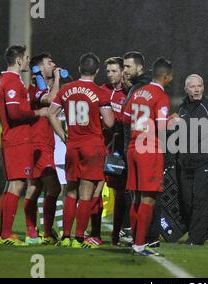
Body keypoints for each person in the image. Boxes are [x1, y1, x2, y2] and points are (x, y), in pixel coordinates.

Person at [48, 52, 114, 248]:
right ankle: (78, 238)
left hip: (73, 144)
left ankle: (65, 236)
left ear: (79, 69)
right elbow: (109, 122)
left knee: (70, 191)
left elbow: (51, 114)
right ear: (97, 71)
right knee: (86, 193)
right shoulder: (101, 93)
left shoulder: (66, 89)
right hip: (92, 145)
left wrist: (63, 135)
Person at [0, 45, 48, 246]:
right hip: (17, 139)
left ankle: (4, 233)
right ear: (18, 60)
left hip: (13, 138)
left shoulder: (6, 79)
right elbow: (15, 113)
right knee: (17, 184)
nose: (28, 60)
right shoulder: (10, 81)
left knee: (11, 185)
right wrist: (37, 113)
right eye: (26, 58)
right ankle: (6, 235)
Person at [123, 57, 173, 256]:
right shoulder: (161, 96)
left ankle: (136, 241)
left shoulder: (136, 93)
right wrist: (172, 120)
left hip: (133, 147)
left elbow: (126, 118)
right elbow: (161, 128)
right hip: (149, 149)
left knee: (136, 198)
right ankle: (140, 244)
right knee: (148, 198)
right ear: (166, 76)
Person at [177, 74, 208, 245]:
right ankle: (206, 229)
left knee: (200, 200)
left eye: (199, 86)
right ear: (186, 89)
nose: (196, 89)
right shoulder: (182, 109)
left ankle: (196, 239)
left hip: (205, 161)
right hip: (185, 162)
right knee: (186, 200)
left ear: (203, 87)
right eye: (192, 86)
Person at [122, 51, 161, 247]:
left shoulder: (140, 88)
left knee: (143, 196)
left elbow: (125, 118)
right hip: (143, 148)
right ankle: (143, 238)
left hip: (141, 147)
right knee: (143, 196)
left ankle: (146, 237)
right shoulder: (149, 86)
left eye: (128, 67)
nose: (124, 71)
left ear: (139, 67)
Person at [24, 53, 62, 245]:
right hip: (37, 144)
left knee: (36, 186)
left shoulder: (39, 88)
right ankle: (42, 232)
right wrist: (57, 79)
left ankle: (36, 232)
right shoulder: (36, 90)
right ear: (40, 68)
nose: (54, 64)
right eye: (50, 62)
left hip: (42, 144)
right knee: (52, 187)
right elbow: (51, 99)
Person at [100, 57, 129, 245]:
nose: (110, 74)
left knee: (120, 193)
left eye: (114, 71)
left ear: (122, 72)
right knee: (94, 190)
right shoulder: (101, 90)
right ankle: (92, 231)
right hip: (100, 148)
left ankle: (117, 233)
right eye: (108, 71)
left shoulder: (128, 93)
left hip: (119, 151)